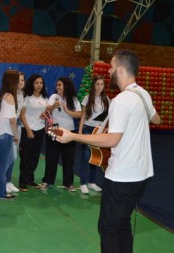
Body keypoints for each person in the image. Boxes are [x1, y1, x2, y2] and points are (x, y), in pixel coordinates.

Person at [55, 49, 161, 253]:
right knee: (122, 223)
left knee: (108, 228)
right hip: (142, 175)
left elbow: (112, 140)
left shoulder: (121, 100)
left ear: (120, 70)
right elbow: (156, 119)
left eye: (112, 67)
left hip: (122, 178)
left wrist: (73, 136)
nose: (110, 70)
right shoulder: (143, 94)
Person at [40, 77, 82, 192]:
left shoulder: (73, 99)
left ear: (66, 86)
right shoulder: (54, 97)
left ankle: (68, 183)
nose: (58, 87)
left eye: (60, 85)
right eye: (57, 85)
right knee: (51, 157)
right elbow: (47, 110)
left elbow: (79, 114)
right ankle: (47, 181)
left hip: (69, 131)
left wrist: (67, 110)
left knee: (68, 158)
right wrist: (54, 105)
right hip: (54, 129)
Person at [0, 69, 19, 200]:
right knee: (3, 164)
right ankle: (0, 193)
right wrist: (16, 135)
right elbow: (12, 120)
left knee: (2, 163)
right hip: (6, 134)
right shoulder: (10, 97)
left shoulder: (4, 95)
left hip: (0, 132)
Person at [78, 75, 110, 194]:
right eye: (97, 84)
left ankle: (91, 182)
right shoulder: (87, 98)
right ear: (93, 85)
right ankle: (82, 183)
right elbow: (83, 116)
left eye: (102, 84)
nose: (99, 87)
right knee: (86, 156)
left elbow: (108, 118)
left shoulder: (106, 99)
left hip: (100, 131)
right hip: (88, 128)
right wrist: (80, 132)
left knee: (96, 156)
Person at [18, 74, 48, 191]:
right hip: (27, 130)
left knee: (35, 157)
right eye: (36, 83)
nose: (39, 85)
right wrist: (29, 130)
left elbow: (45, 113)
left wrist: (45, 116)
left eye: (41, 83)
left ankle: (30, 179)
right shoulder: (27, 97)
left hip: (40, 131)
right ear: (32, 84)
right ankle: (22, 181)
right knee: (25, 157)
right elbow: (22, 114)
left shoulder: (45, 98)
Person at [6, 71, 25, 194]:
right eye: (19, 80)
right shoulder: (9, 95)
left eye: (23, 80)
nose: (21, 82)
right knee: (10, 156)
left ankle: (8, 181)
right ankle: (4, 181)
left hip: (17, 124)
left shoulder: (22, 95)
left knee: (14, 157)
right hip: (9, 126)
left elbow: (20, 114)